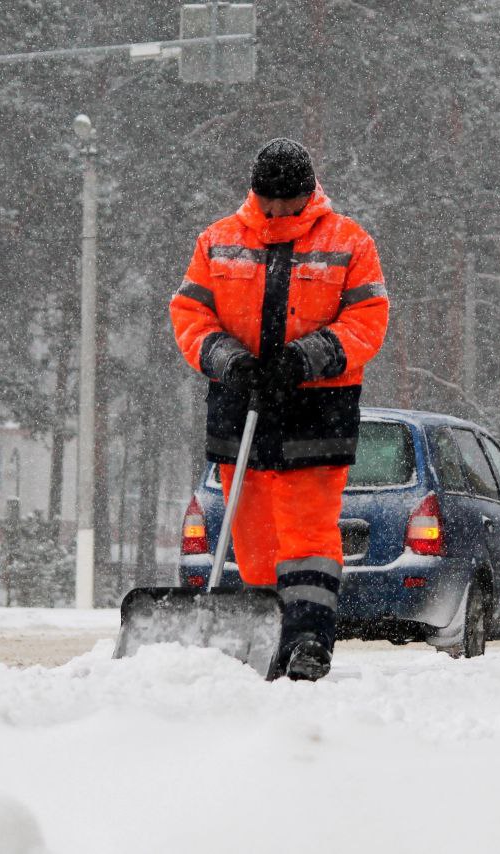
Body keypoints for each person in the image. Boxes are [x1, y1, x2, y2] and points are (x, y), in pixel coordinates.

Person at [169, 138, 390, 680]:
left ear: (307, 195)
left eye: (287, 204)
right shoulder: (217, 240)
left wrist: (301, 359)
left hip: (316, 409)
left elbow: (367, 321)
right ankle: (266, 638)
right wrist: (231, 362)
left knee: (309, 532)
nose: (276, 214)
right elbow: (190, 315)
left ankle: (310, 637)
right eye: (268, 202)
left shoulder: (350, 242)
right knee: (252, 534)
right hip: (238, 404)